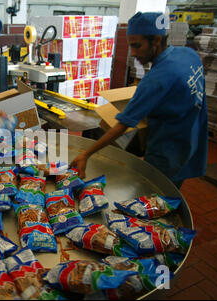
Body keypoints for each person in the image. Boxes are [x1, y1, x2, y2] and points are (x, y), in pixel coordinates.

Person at [71, 12, 208, 189]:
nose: (133, 53)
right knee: (173, 189)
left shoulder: (157, 79)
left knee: (156, 195)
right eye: (130, 46)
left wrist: (86, 155)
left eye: (137, 46)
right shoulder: (188, 55)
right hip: (192, 138)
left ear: (156, 40)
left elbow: (122, 125)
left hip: (167, 150)